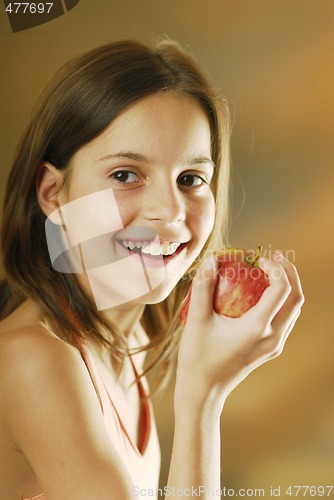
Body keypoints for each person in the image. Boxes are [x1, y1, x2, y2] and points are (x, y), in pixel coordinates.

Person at [0, 39, 304, 500]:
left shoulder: (134, 333)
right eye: (125, 175)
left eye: (190, 179)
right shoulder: (33, 361)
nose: (171, 211)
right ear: (53, 194)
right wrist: (203, 399)